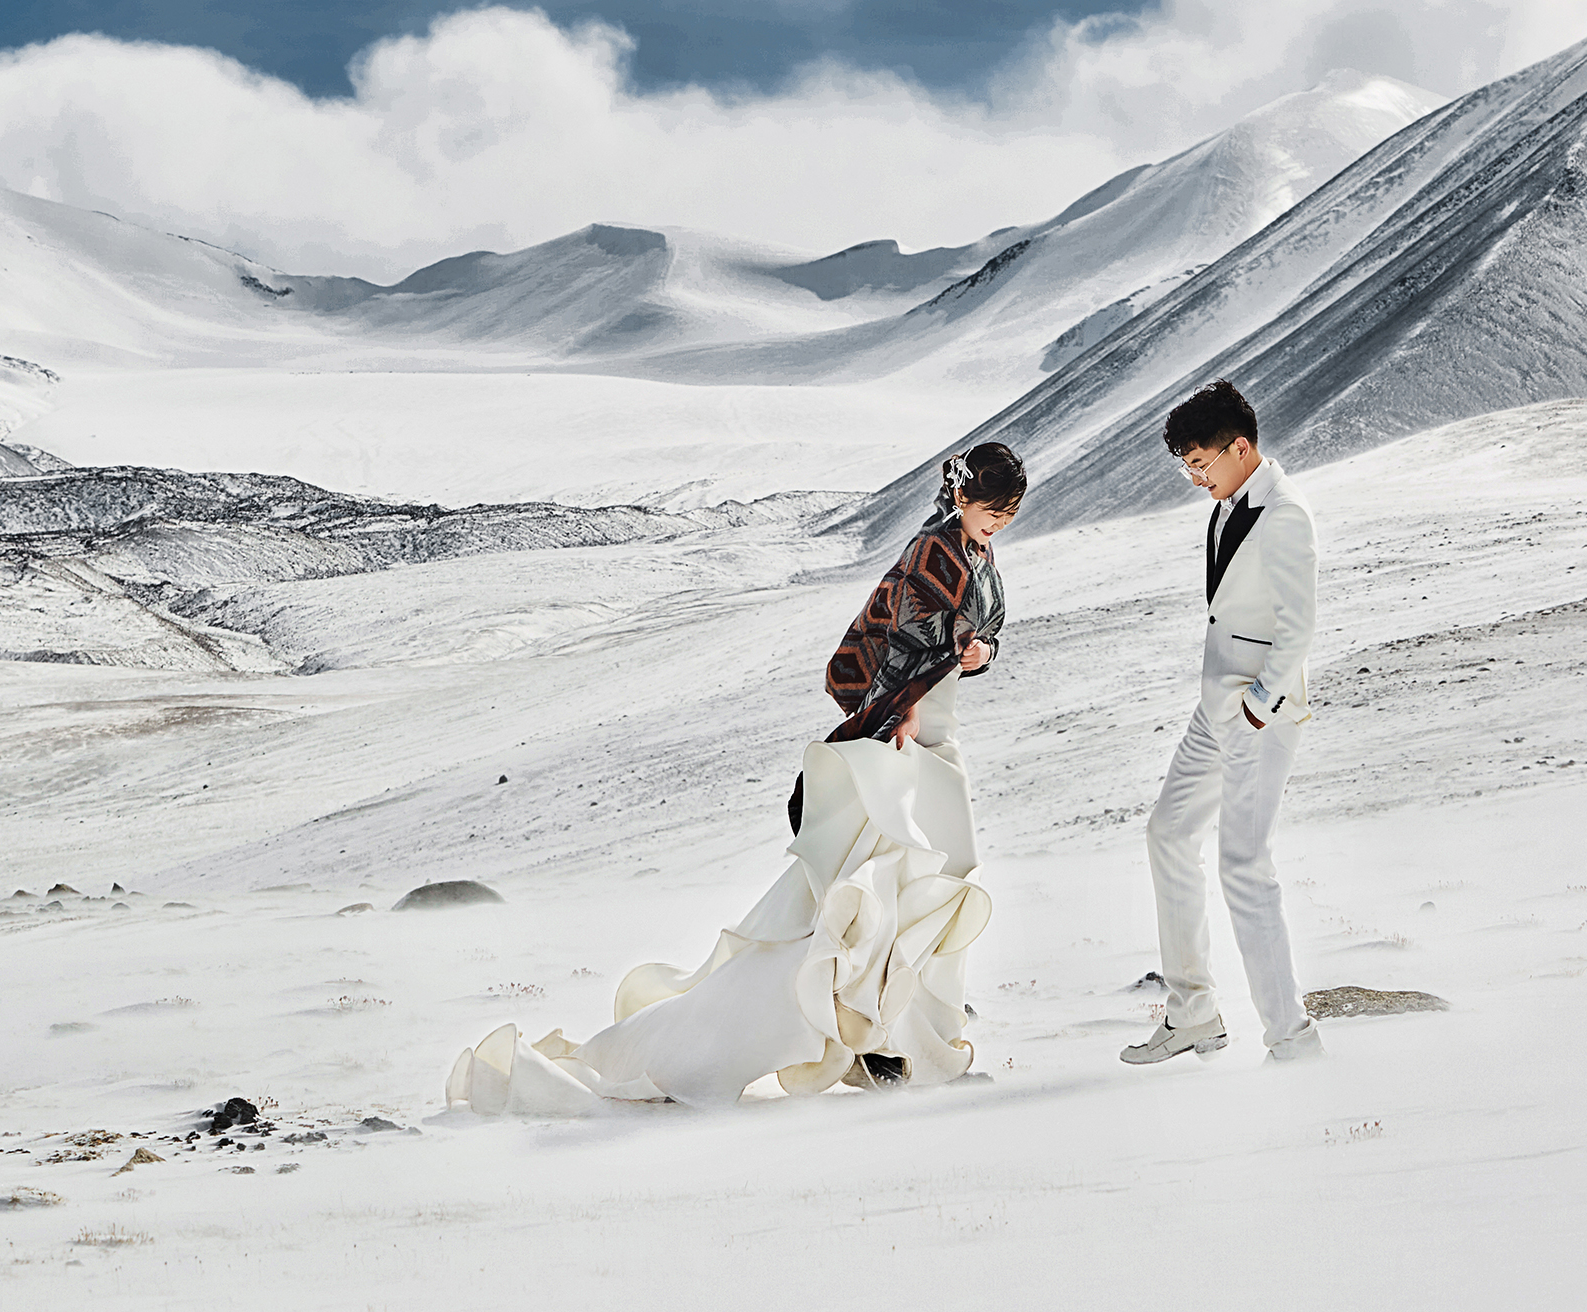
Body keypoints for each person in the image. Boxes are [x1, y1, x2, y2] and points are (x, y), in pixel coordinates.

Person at [451, 443, 1025, 1115]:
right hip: (907, 724)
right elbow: (906, 638)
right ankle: (866, 1037)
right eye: (992, 510)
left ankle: (888, 1034)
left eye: (1009, 512)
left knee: (920, 875)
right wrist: (902, 708)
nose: (1000, 523)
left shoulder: (976, 553)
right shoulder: (935, 549)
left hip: (933, 724)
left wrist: (981, 651)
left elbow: (976, 635)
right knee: (886, 877)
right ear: (961, 499)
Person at [1120, 379, 1323, 1069]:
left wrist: (1256, 707)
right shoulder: (1227, 505)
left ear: (1240, 448)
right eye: (1187, 467)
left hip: (1256, 716)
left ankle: (1292, 1040)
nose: (1195, 477)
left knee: (1243, 864)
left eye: (1200, 463)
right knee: (1168, 832)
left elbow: (1300, 627)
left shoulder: (1285, 514)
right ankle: (1194, 1015)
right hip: (1216, 709)